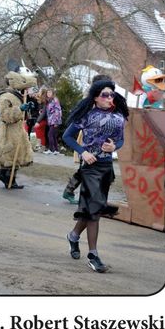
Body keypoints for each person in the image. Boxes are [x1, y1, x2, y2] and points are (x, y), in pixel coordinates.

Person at [62, 78, 128, 273]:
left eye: (111, 94)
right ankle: (93, 255)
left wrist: (114, 146)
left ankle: (73, 236)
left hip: (107, 168)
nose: (109, 98)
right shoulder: (87, 114)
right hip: (90, 168)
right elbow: (67, 136)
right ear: (96, 98)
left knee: (93, 210)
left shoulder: (118, 116)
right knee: (95, 210)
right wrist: (83, 152)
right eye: (104, 95)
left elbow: (121, 140)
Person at [0, 69, 37, 190]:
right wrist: (20, 109)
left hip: (17, 129)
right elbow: (4, 115)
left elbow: (21, 113)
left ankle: (10, 178)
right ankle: (6, 177)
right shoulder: (5, 97)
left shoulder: (18, 95)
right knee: (9, 153)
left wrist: (27, 108)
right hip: (9, 130)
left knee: (18, 154)